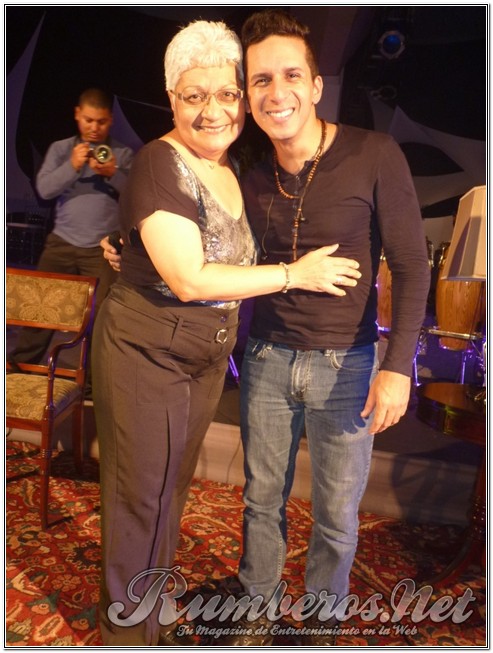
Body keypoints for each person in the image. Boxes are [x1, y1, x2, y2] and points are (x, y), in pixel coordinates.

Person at [91, 19, 361, 647]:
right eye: (194, 95)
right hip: (147, 350)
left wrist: (127, 244)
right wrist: (295, 274)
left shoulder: (231, 166)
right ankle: (125, 635)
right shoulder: (160, 161)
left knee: (167, 494)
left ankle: (151, 618)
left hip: (203, 358)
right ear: (172, 99)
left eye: (227, 93)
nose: (213, 110)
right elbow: (189, 278)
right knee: (139, 501)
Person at [214, 10, 431, 646]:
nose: (275, 92)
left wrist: (397, 368)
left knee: (336, 517)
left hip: (350, 366)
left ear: (315, 86)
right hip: (266, 359)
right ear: (247, 93)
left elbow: (412, 268)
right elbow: (213, 249)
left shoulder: (374, 153)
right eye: (260, 80)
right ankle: (255, 615)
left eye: (290, 76)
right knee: (261, 502)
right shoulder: (251, 172)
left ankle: (319, 628)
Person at [8, 88, 134, 397]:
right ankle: (18, 370)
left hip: (101, 250)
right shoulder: (62, 149)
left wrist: (113, 173)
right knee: (39, 310)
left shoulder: (122, 154)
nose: (94, 128)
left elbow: (135, 196)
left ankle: (91, 385)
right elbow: (44, 189)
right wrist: (72, 166)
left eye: (101, 122)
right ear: (78, 115)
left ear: (110, 120)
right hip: (62, 243)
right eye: (88, 120)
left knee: (102, 318)